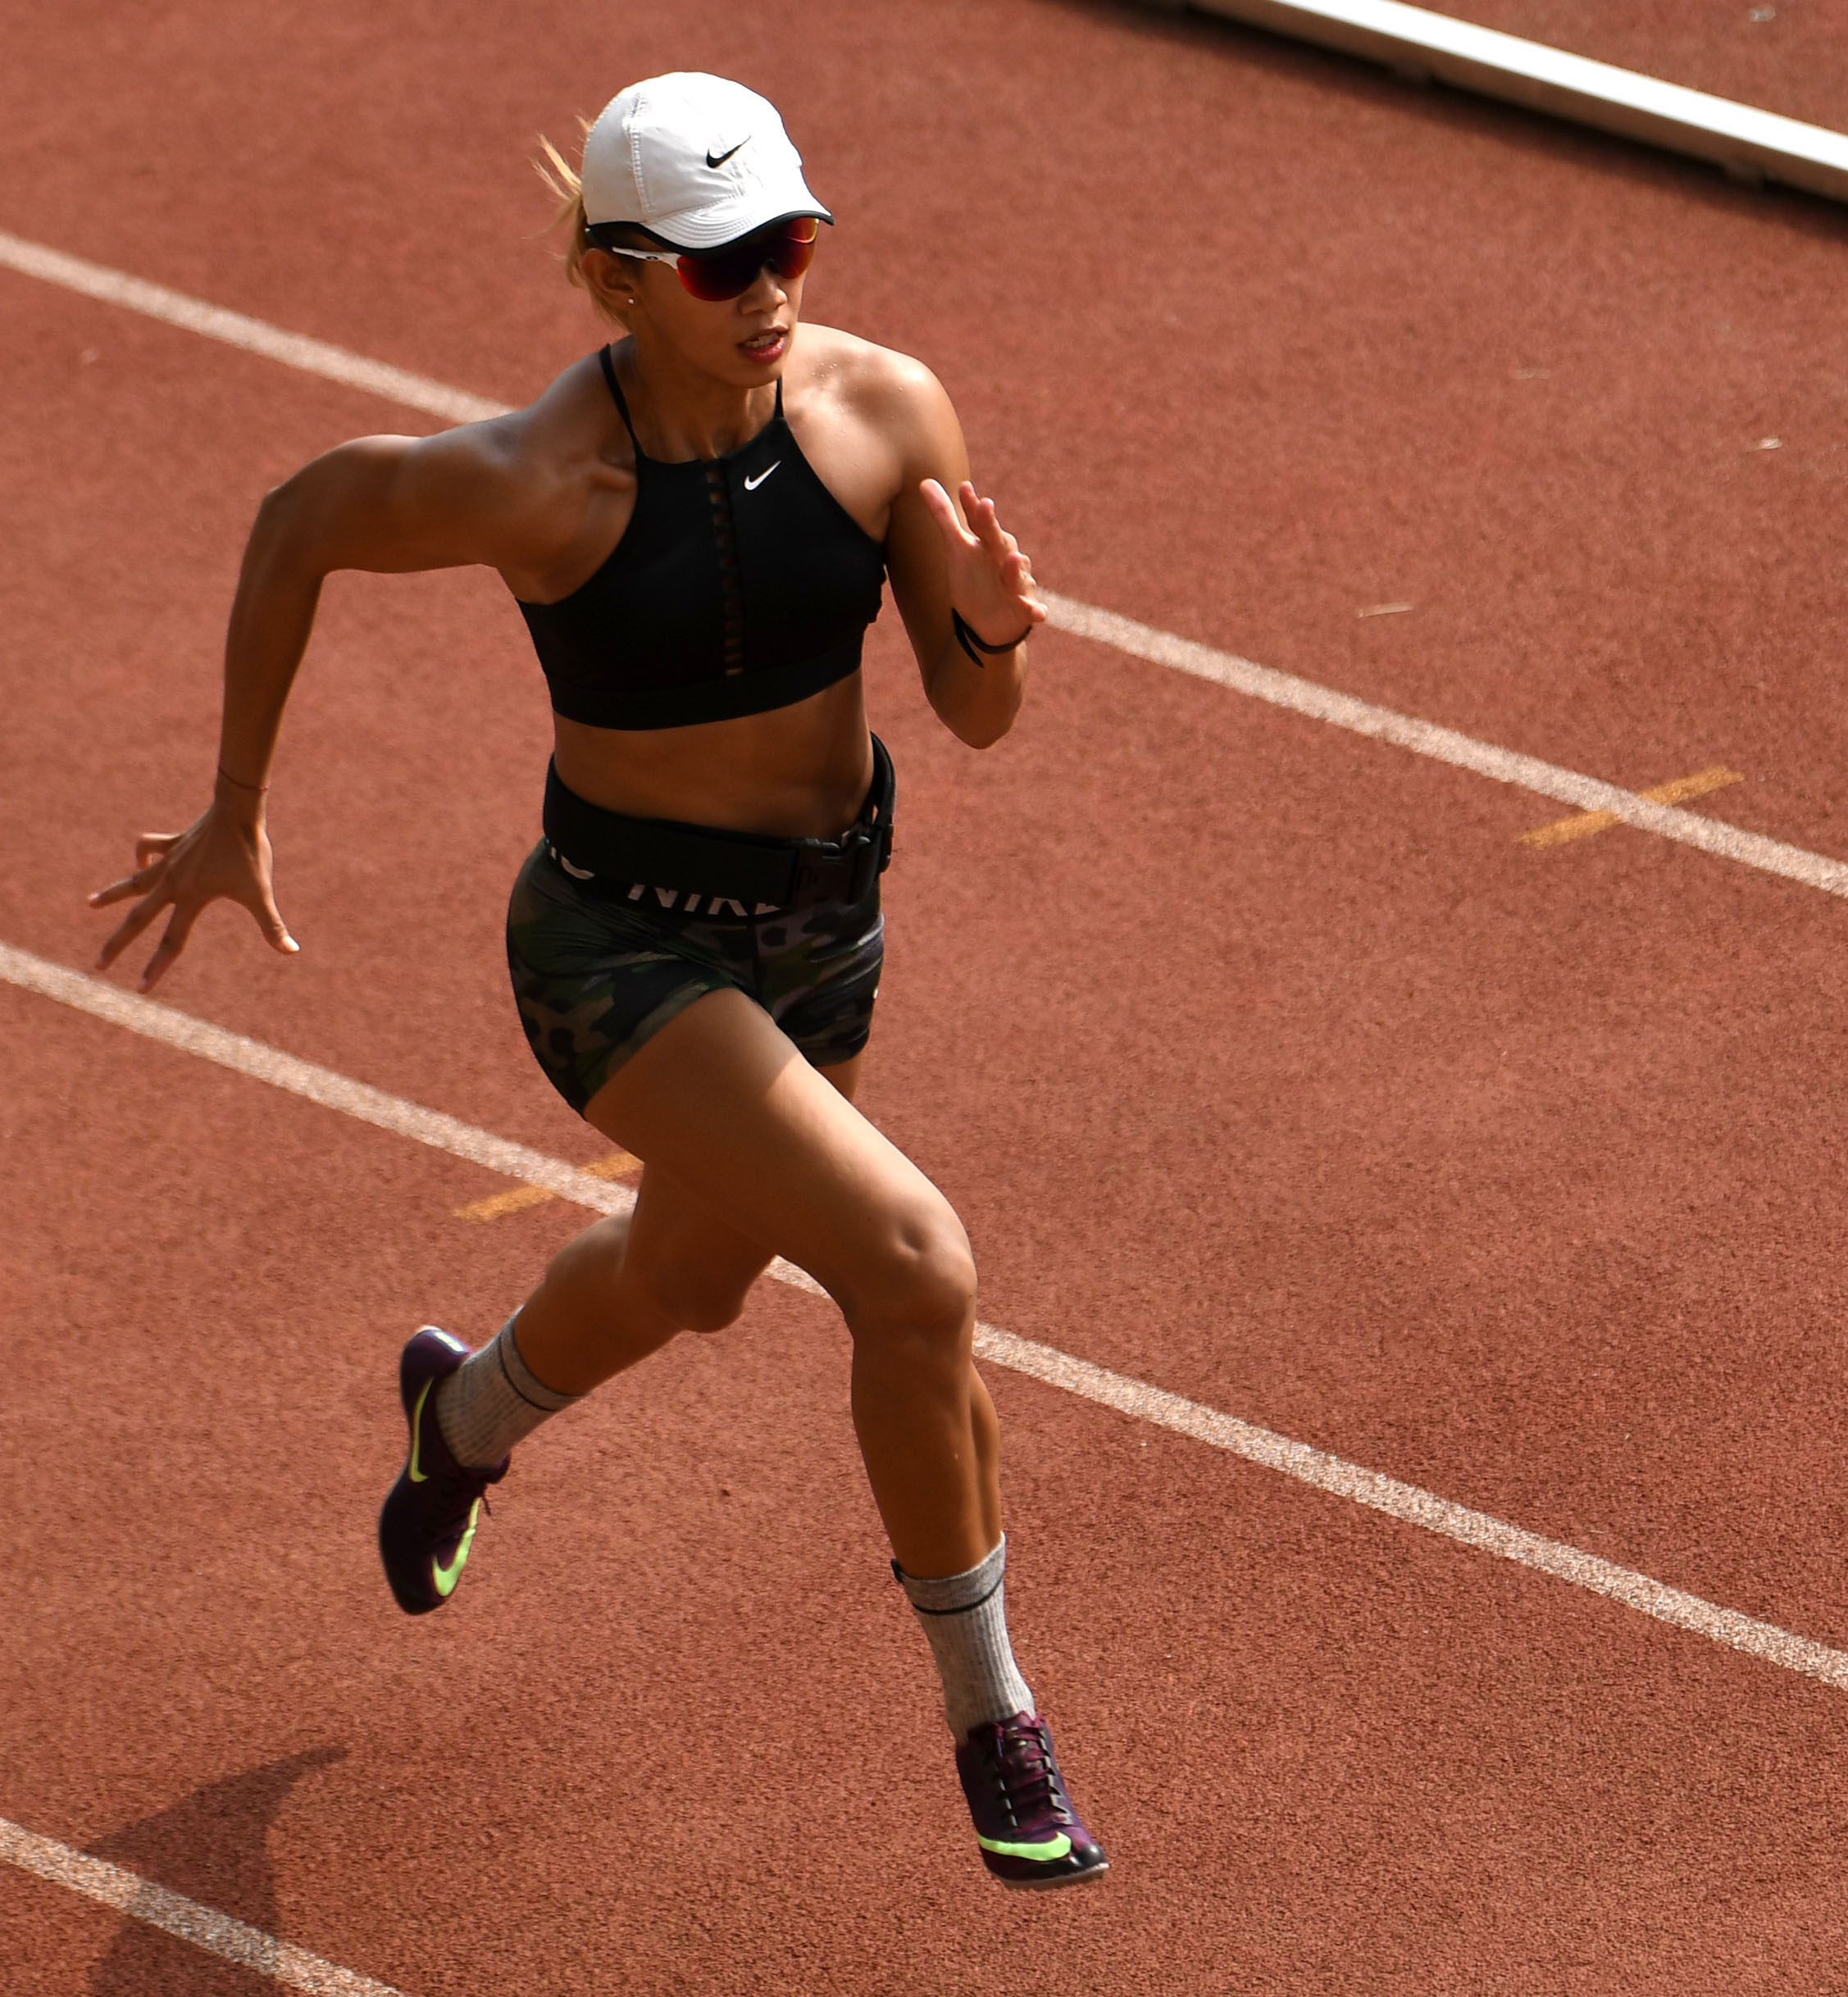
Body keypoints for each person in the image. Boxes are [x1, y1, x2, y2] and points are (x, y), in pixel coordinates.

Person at [88, 74, 1104, 1889]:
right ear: (621, 277)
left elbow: (974, 719)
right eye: (725, 264)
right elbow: (298, 517)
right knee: (912, 1263)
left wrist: (995, 631)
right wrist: (236, 806)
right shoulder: (536, 479)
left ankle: (459, 1414)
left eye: (791, 242)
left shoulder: (883, 412)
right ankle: (991, 1711)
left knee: (687, 1279)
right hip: (615, 944)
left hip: (822, 929)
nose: (772, 289)